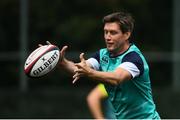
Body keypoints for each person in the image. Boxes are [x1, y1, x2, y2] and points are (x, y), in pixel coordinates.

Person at [43, 11, 160, 119]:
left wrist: (90, 72)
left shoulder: (134, 58)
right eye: (106, 32)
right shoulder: (102, 55)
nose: (108, 37)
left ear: (127, 35)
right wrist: (61, 62)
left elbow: (116, 78)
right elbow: (78, 69)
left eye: (113, 33)